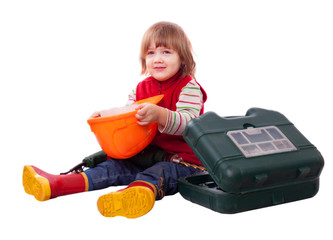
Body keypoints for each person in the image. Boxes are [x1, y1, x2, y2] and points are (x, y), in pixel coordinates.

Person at [22, 21, 207, 218]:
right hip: (145, 155)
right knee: (109, 167)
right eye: (151, 53)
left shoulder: (189, 87)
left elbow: (189, 123)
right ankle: (57, 184)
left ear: (183, 58)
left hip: (183, 162)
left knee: (160, 173)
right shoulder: (140, 89)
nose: (157, 59)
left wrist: (160, 115)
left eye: (166, 52)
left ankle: (132, 196)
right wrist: (106, 116)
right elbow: (127, 114)